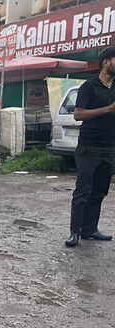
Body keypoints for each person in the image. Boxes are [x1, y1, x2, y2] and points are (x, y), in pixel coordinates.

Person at [66, 47, 115, 248]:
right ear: (106, 62)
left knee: (99, 191)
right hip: (89, 147)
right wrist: (108, 109)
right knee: (83, 191)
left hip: (110, 148)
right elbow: (78, 115)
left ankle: (90, 230)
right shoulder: (89, 86)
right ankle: (74, 233)